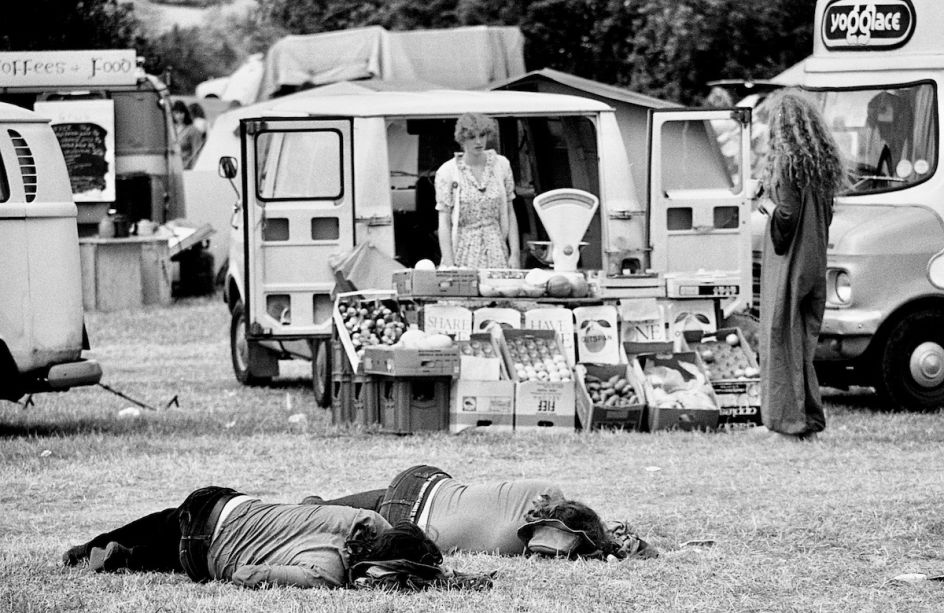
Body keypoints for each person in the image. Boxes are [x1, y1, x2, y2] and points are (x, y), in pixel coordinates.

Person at [61, 485, 442, 589]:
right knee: (182, 555)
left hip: (227, 500)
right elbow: (245, 574)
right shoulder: (328, 572)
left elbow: (310, 502)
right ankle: (117, 554)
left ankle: (113, 553)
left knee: (160, 529)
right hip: (201, 545)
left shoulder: (370, 518)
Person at [301, 465, 656, 560]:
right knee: (332, 520)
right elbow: (551, 546)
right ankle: (310, 511)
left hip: (423, 480)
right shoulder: (522, 541)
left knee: (326, 510)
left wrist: (605, 536)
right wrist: (603, 549)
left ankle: (312, 507)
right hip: (407, 519)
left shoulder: (546, 489)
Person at [756, 91, 847, 440]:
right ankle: (809, 416)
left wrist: (764, 204)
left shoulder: (788, 165)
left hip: (790, 266)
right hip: (815, 263)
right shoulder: (822, 163)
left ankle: (787, 422)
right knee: (802, 345)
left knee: (781, 341)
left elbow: (786, 215)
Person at [435, 113, 520, 268]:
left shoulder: (501, 166)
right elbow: (444, 222)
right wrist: (449, 265)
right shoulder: (448, 172)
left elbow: (509, 211)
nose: (478, 141)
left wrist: (515, 255)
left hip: (497, 249)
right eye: (471, 137)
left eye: (482, 135)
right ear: (462, 139)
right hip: (462, 252)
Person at [171, 100, 203, 169]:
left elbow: (197, 151)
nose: (179, 116)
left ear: (185, 113)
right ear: (173, 114)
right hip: (173, 167)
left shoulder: (193, 130)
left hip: (186, 167)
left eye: (181, 113)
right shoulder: (170, 129)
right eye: (176, 113)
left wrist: (194, 168)